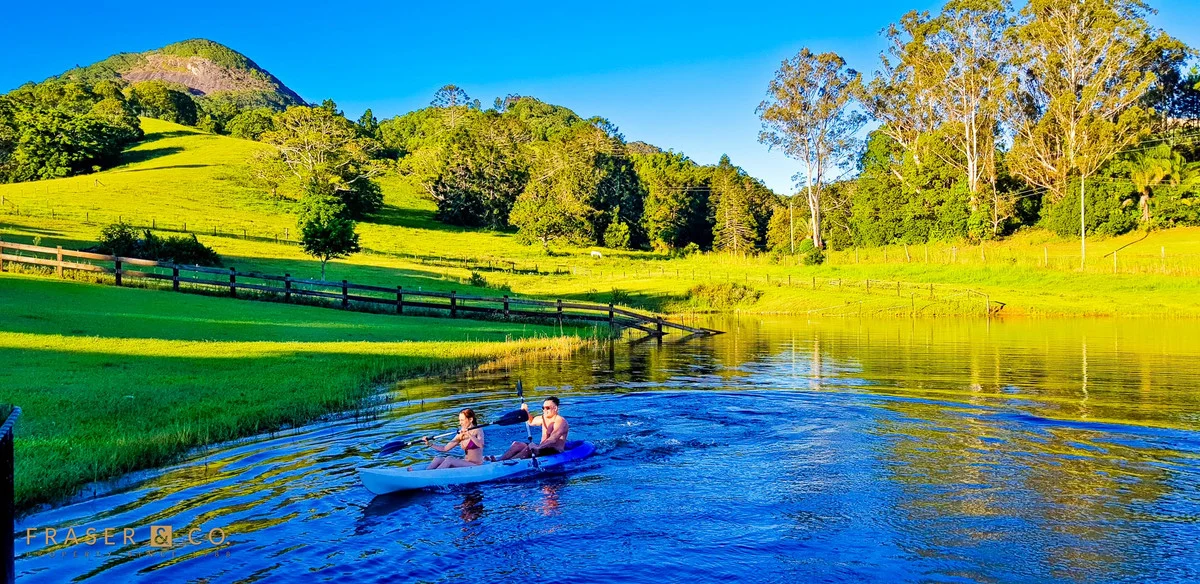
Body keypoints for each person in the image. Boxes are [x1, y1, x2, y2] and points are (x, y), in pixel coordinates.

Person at [488, 396, 569, 461]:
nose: (544, 410)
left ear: (555, 408)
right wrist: (525, 411)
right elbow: (531, 421)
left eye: (547, 408)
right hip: (542, 448)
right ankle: (499, 460)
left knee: (530, 448)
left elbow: (553, 439)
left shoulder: (560, 421)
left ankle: (511, 462)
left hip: (554, 451)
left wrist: (538, 447)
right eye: (543, 408)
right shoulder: (543, 418)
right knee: (517, 444)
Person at [417, 408, 484, 470]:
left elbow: (481, 445)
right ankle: (424, 473)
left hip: (476, 465)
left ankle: (433, 475)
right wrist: (430, 444)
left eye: (462, 420)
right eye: (459, 420)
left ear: (470, 419)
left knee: (450, 459)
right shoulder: (461, 433)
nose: (460, 423)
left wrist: (469, 434)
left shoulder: (478, 430)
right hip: (466, 462)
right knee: (438, 459)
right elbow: (445, 448)